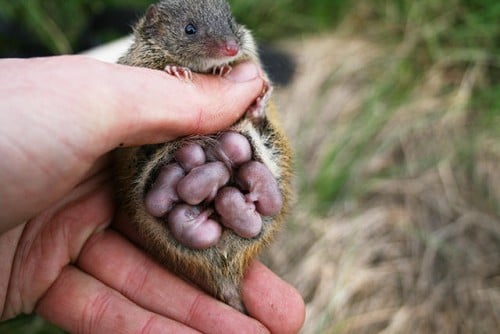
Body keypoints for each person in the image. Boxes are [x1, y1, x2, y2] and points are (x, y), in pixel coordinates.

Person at [0, 56, 305, 333]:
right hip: (193, 191)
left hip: (197, 192)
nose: (224, 46)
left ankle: (212, 199)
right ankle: (214, 198)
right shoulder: (150, 60)